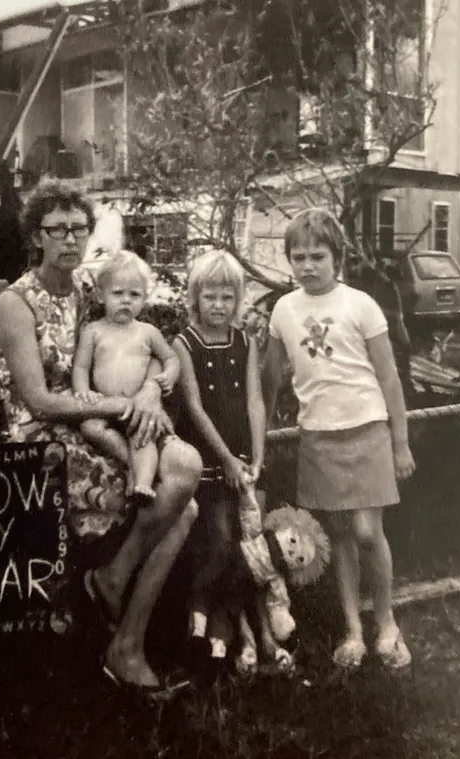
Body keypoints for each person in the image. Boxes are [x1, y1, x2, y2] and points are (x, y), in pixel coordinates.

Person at [0, 180, 202, 693]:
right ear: (36, 236)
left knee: (187, 471)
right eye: (56, 229)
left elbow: (145, 346)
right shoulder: (15, 303)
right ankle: (125, 645)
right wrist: (121, 406)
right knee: (184, 506)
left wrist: (151, 392)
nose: (69, 239)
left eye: (78, 228)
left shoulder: (94, 290)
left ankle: (113, 594)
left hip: (102, 419)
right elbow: (39, 400)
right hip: (40, 440)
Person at [262, 208, 416, 672]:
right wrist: (261, 435)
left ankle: (387, 623)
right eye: (298, 257)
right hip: (319, 438)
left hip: (368, 430)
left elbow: (390, 380)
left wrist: (401, 442)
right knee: (342, 537)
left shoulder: (361, 305)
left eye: (318, 256)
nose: (307, 266)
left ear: (338, 258)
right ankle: (354, 630)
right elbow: (270, 380)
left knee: (369, 532)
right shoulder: (284, 310)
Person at [172, 251, 284, 671]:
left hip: (244, 462)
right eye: (209, 296)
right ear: (195, 297)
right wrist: (228, 460)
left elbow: (255, 401)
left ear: (237, 299)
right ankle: (196, 619)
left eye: (226, 297)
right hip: (209, 461)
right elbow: (195, 409)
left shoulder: (244, 341)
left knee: (252, 552)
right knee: (218, 543)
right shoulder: (184, 344)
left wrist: (256, 454)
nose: (217, 305)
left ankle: (242, 636)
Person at [72, 250, 181, 503]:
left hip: (137, 407)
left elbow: (171, 358)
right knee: (90, 427)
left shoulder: (147, 332)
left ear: (145, 298)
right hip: (105, 405)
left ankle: (142, 484)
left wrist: (168, 377)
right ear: (101, 295)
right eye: (118, 293)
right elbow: (80, 367)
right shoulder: (94, 331)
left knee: (143, 438)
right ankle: (130, 465)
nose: (126, 301)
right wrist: (82, 391)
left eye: (134, 295)